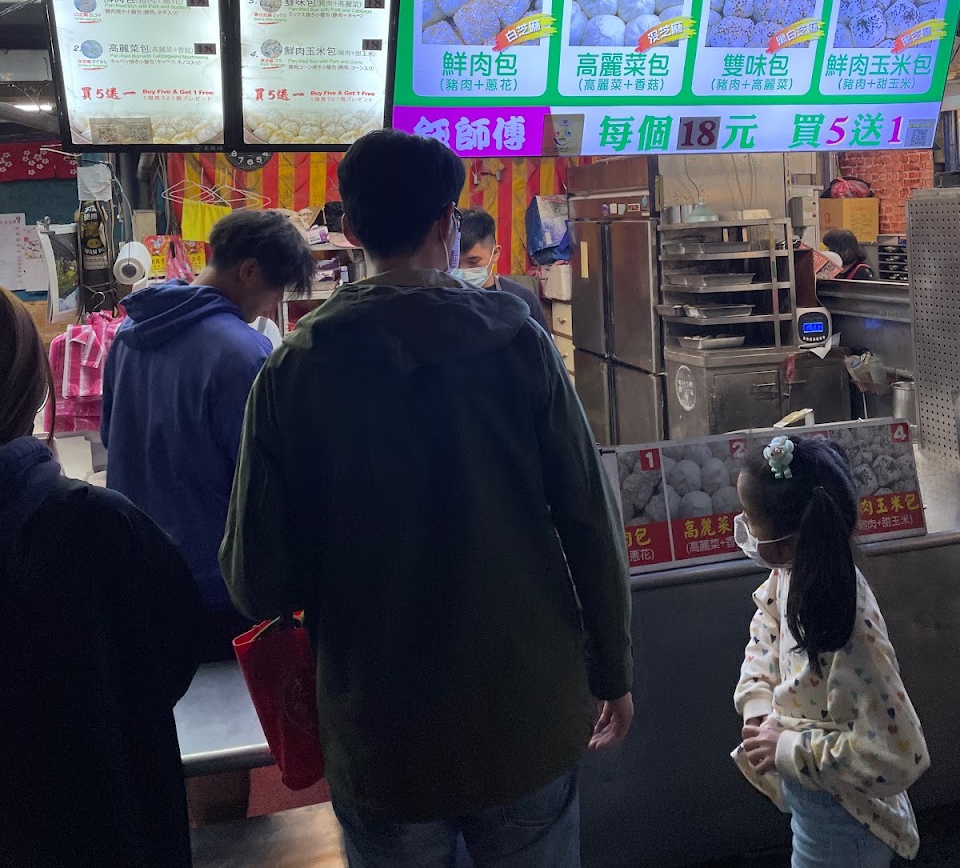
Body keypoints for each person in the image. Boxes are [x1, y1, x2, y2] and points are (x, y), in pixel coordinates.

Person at [221, 129, 633, 868]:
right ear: (448, 222)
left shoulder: (291, 372)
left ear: (350, 231)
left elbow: (258, 581)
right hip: (525, 712)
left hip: (381, 730)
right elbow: (588, 522)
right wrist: (613, 669)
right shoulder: (522, 345)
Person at [0, 288, 205, 868]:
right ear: (31, 384)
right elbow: (174, 648)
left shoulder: (131, 342)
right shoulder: (98, 525)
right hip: (104, 814)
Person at [104, 208, 315, 660]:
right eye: (275, 289)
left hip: (136, 568)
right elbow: (265, 479)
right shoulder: (244, 352)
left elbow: (110, 435)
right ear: (249, 271)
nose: (271, 304)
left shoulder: (128, 332)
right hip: (215, 584)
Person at [732, 434, 928, 867]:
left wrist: (790, 748)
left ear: (786, 541)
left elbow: (898, 756)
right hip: (814, 809)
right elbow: (767, 625)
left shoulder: (848, 629)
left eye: (749, 521)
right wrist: (758, 702)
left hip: (848, 826)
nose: (740, 526)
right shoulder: (791, 572)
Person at [454, 207, 549, 329]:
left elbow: (540, 341)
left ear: (495, 253)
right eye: (454, 262)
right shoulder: (441, 298)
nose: (462, 270)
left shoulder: (521, 298)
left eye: (473, 261)